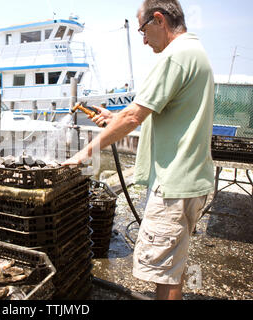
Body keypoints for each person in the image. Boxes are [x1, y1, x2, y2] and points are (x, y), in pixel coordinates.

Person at [62, 0, 215, 300]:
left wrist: (83, 155)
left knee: (165, 274)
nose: (144, 41)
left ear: (159, 19)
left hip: (174, 185)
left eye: (144, 31)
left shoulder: (175, 57)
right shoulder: (195, 52)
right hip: (190, 180)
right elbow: (163, 117)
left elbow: (133, 116)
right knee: (172, 266)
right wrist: (111, 119)